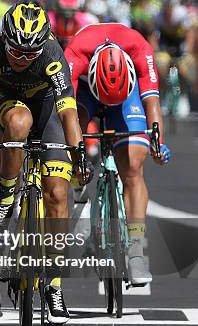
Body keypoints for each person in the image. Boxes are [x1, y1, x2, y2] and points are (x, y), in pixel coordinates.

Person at [0, 0, 85, 325]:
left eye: (30, 54)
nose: (22, 59)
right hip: (10, 104)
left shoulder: (53, 55)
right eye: (16, 52)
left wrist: (77, 154)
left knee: (58, 194)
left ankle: (54, 283)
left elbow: (68, 112)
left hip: (48, 107)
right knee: (18, 123)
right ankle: (8, 195)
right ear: (5, 40)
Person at [64, 23, 171, 286]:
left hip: (126, 96)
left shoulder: (139, 48)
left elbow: (152, 104)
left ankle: (135, 250)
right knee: (73, 136)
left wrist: (158, 143)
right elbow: (64, 110)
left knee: (133, 167)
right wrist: (74, 152)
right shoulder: (76, 50)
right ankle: (79, 195)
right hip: (88, 92)